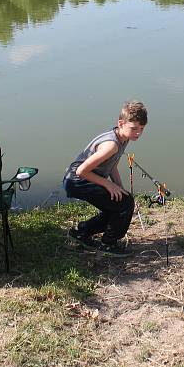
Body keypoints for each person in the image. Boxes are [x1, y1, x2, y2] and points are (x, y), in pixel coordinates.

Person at [63, 100, 147, 256]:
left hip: (84, 178)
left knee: (121, 201)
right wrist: (108, 185)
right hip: (77, 180)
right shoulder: (111, 145)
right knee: (125, 204)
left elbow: (112, 165)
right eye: (134, 128)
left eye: (141, 129)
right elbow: (82, 171)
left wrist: (119, 187)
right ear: (121, 123)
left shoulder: (123, 137)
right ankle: (108, 244)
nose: (138, 133)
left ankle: (80, 232)